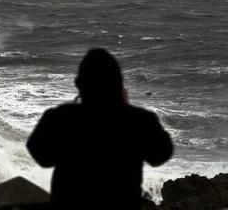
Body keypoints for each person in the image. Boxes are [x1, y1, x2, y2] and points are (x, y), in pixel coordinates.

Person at [26, 48, 173, 209]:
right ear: (119, 84)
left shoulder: (59, 117)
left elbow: (42, 158)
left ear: (79, 84)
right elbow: (161, 155)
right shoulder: (140, 120)